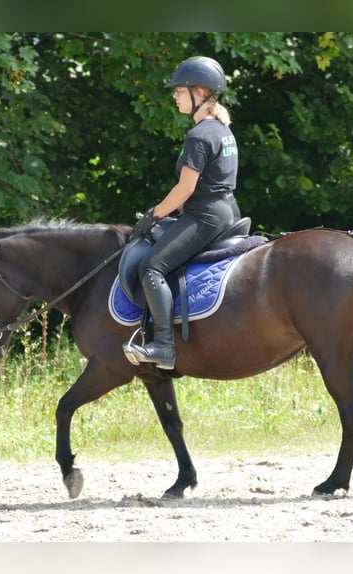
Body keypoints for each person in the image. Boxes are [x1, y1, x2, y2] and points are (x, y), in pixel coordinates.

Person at [122, 56, 241, 370]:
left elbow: (185, 188)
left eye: (179, 91)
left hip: (204, 215)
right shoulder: (221, 131)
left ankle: (163, 346)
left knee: (151, 267)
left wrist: (154, 215)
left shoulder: (199, 136)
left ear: (199, 91)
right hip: (227, 209)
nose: (174, 96)